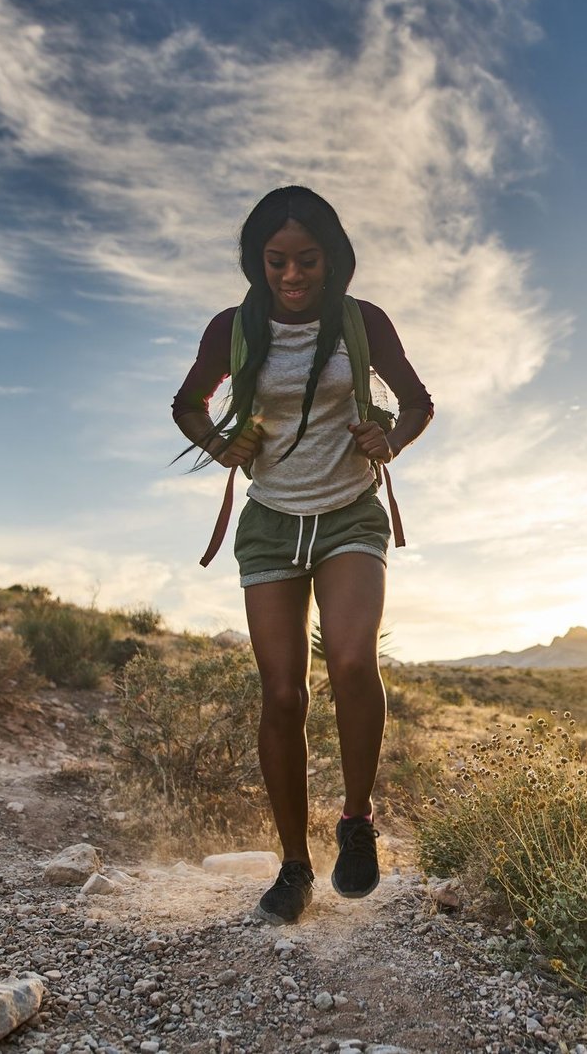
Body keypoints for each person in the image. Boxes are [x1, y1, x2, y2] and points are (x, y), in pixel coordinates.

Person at [171, 186, 433, 924]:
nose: (292, 275)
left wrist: (394, 437)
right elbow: (186, 404)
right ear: (259, 261)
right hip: (271, 523)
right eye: (277, 260)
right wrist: (221, 443)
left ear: (331, 257)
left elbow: (417, 401)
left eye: (306, 260)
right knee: (283, 693)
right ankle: (293, 864)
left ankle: (356, 820)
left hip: (350, 511)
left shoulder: (362, 321)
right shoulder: (232, 328)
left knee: (353, 662)